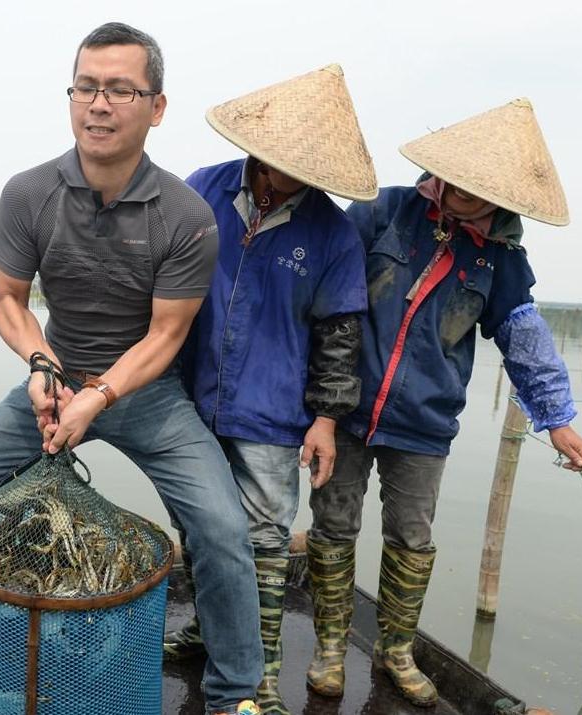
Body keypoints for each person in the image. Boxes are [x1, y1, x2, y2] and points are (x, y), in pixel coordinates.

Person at [0, 22, 262, 715]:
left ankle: (234, 694)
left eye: (120, 89)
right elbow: (9, 301)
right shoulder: (28, 193)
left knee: (224, 529)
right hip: (54, 381)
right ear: (70, 95)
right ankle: (1, 648)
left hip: (146, 393)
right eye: (86, 87)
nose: (99, 104)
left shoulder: (188, 215)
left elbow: (167, 336)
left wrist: (102, 394)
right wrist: (42, 364)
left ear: (156, 107)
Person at [306, 98, 582, 707]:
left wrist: (558, 418)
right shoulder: (384, 211)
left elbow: (524, 339)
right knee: (333, 524)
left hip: (425, 423)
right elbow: (321, 292)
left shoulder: (503, 260)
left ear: (505, 194)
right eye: (458, 175)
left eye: (482, 186)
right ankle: (331, 644)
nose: (463, 191)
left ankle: (396, 648)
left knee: (412, 536)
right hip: (345, 410)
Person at [165, 66, 377, 715]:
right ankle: (210, 629)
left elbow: (340, 335)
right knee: (200, 521)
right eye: (283, 160)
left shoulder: (332, 234)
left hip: (272, 410)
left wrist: (326, 419)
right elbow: (160, 275)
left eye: (305, 167)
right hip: (195, 397)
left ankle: (259, 670)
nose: (290, 173)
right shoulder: (203, 189)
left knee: (263, 535)